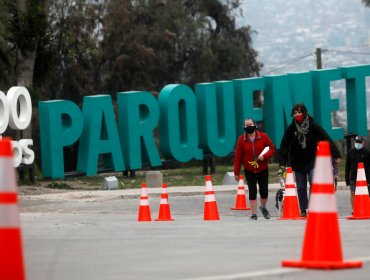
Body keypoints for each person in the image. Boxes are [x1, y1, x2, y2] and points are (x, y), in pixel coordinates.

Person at [279, 104, 341, 217]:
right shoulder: (291, 128)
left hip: (312, 161)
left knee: (313, 182)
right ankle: (303, 208)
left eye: (299, 112)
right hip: (297, 162)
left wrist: (336, 155)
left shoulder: (313, 126)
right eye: (295, 113)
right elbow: (284, 145)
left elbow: (326, 138)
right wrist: (282, 162)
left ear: (305, 113)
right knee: (301, 187)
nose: (297, 115)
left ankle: (313, 206)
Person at [234, 118, 276, 220]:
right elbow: (238, 157)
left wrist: (265, 156)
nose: (249, 127)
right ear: (244, 127)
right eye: (247, 125)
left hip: (262, 168)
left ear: (255, 125)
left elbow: (272, 148)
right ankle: (253, 213)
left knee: (264, 191)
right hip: (249, 170)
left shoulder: (263, 136)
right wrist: (236, 172)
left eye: (250, 124)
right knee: (252, 191)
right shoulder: (241, 139)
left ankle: (263, 207)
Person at [345, 135, 370, 211]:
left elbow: (369, 168)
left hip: (364, 178)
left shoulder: (367, 153)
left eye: (359, 142)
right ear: (354, 142)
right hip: (353, 177)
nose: (358, 144)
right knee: (353, 193)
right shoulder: (350, 153)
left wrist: (369, 180)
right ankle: (354, 210)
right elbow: (347, 167)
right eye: (356, 142)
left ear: (363, 143)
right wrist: (347, 179)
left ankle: (366, 209)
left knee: (366, 194)